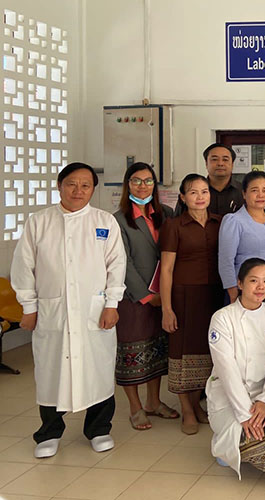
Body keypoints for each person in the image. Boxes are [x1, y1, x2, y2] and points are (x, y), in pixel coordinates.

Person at [11, 162, 126, 458]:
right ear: (59, 185)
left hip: (95, 310)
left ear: (93, 190)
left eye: (85, 185)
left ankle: (99, 429)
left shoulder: (104, 222)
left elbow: (117, 265)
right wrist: (29, 306)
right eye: (72, 184)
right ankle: (49, 433)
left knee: (98, 370)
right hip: (53, 311)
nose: (78, 190)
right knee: (51, 372)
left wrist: (112, 304)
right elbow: (24, 266)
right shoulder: (40, 222)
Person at [207, 258, 265, 478]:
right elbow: (227, 371)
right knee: (245, 429)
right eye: (254, 281)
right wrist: (244, 413)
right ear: (240, 283)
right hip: (229, 395)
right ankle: (226, 443)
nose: (260, 287)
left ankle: (251, 446)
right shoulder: (222, 318)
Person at [113, 162, 178, 431]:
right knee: (132, 351)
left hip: (164, 295)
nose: (143, 186)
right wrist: (146, 296)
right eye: (137, 181)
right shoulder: (117, 220)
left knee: (157, 349)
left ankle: (154, 401)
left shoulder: (168, 214)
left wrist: (164, 297)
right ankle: (136, 407)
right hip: (134, 298)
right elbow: (122, 263)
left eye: (148, 181)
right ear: (127, 185)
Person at [160, 174, 224, 435]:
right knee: (183, 354)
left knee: (208, 353)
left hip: (215, 296)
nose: (200, 197)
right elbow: (166, 270)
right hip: (184, 296)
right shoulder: (174, 226)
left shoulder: (220, 223)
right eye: (194, 192)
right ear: (183, 197)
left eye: (204, 191)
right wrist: (166, 308)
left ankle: (198, 406)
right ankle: (186, 409)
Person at [219, 170, 265, 306]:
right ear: (244, 193)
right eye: (255, 190)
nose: (261, 195)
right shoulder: (234, 220)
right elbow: (226, 259)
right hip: (245, 289)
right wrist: (232, 291)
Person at [175, 143, 243, 217]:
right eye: (214, 159)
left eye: (225, 159)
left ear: (232, 164)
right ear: (206, 163)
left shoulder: (244, 192)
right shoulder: (191, 191)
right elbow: (178, 220)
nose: (220, 163)